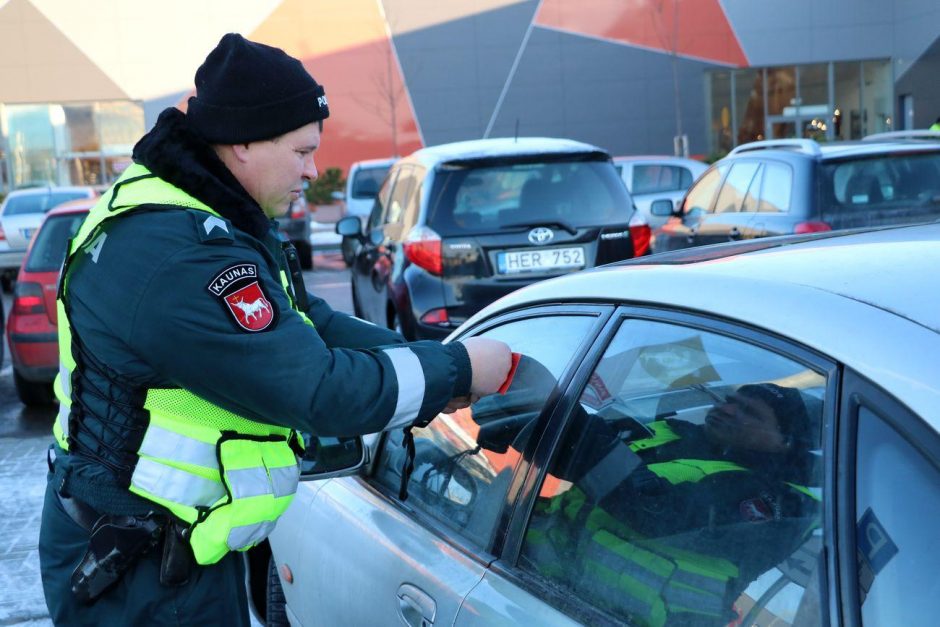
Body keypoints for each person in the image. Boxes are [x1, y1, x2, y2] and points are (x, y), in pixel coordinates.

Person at [38, 33, 511, 625]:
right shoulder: (180, 254)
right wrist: (463, 369)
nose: (314, 171)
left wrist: (444, 364)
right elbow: (317, 391)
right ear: (241, 141)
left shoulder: (207, 215)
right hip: (136, 572)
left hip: (171, 545)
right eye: (301, 151)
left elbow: (310, 321)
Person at [524, 382, 819, 627]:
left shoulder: (784, 504)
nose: (726, 409)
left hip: (623, 618)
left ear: (785, 441)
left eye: (749, 412)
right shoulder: (672, 432)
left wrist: (541, 396)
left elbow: (655, 510)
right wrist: (527, 427)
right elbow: (591, 446)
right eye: (730, 400)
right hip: (543, 580)